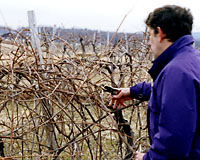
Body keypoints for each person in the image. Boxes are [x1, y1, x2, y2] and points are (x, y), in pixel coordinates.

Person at [109, 5, 200, 160]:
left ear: (161, 33)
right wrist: (133, 91)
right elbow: (176, 94)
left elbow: (173, 143)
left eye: (150, 35)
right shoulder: (192, 61)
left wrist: (148, 158)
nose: (149, 43)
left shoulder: (176, 72)